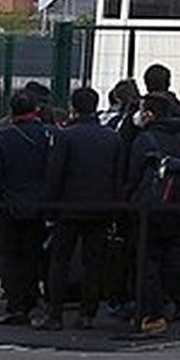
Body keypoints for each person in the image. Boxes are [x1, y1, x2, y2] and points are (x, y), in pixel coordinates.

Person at [41, 87, 121, 330]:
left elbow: (55, 174)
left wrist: (49, 208)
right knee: (93, 262)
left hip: (68, 207)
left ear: (73, 107)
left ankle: (54, 313)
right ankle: (88, 313)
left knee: (60, 260)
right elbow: (118, 175)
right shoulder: (112, 137)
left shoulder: (65, 136)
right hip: (101, 207)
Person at [126, 92, 180, 334]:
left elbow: (133, 174)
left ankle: (153, 312)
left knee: (148, 259)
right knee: (175, 256)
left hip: (151, 206)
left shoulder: (145, 139)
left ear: (149, 113)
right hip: (177, 204)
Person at [0, 89, 53, 326]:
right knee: (32, 253)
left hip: (10, 203)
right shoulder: (48, 134)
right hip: (39, 203)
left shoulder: (2, 136)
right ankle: (32, 298)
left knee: (9, 255)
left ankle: (15, 304)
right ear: (36, 110)